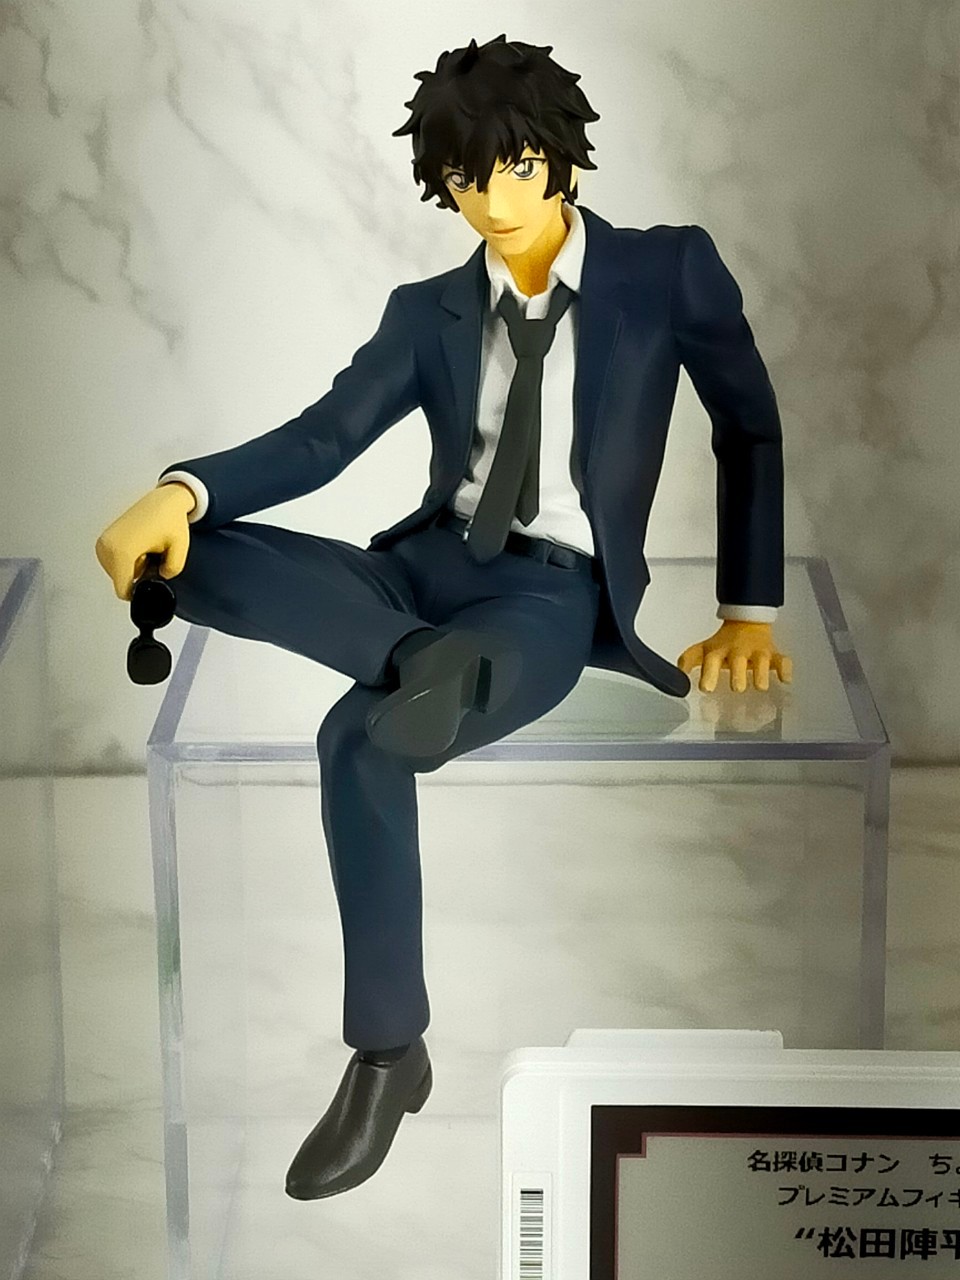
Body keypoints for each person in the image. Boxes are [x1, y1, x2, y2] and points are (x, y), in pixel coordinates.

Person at [95, 34, 791, 1200]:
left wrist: (748, 610)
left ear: (561, 158)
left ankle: (388, 1054)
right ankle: (420, 656)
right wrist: (184, 489)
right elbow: (323, 439)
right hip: (418, 572)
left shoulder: (668, 272)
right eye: (467, 180)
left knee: (356, 738)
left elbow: (749, 424)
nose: (493, 201)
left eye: (515, 168)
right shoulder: (429, 311)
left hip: (548, 594)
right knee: (193, 552)